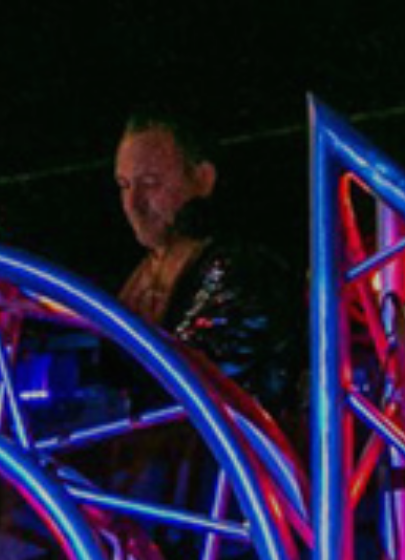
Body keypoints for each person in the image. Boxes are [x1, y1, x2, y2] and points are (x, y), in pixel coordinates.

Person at [113, 107, 301, 417]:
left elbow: (202, 382)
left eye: (150, 183)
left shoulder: (244, 272)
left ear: (202, 179)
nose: (134, 204)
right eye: (124, 185)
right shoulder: (127, 277)